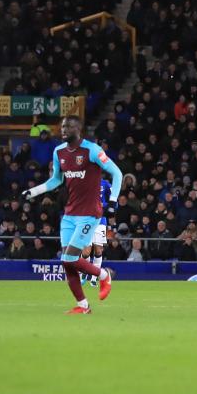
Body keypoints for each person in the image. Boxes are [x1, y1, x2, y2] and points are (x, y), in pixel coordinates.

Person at [22, 116, 122, 314]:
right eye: (62, 126)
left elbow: (117, 173)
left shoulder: (92, 150)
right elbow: (55, 181)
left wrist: (112, 201)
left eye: (68, 126)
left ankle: (103, 276)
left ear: (79, 128)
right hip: (69, 214)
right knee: (67, 262)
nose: (63, 129)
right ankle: (83, 306)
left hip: (90, 214)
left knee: (70, 257)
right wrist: (33, 192)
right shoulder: (58, 151)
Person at [81, 178, 112, 287]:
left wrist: (106, 205)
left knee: (98, 250)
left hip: (100, 220)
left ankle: (94, 277)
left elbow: (113, 199)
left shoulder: (105, 183)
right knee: (86, 252)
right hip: (86, 219)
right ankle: (85, 272)